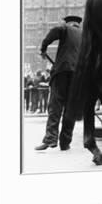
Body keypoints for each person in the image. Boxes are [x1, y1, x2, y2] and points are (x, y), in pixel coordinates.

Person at [35, 15, 82, 151]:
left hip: (62, 71)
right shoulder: (85, 35)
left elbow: (54, 31)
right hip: (77, 75)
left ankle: (50, 139)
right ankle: (65, 142)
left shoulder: (65, 28)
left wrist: (43, 48)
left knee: (55, 105)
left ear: (68, 22)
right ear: (78, 24)